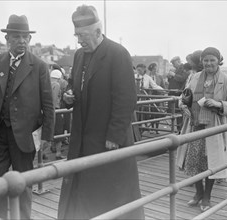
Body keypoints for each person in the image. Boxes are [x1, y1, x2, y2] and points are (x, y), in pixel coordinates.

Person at [58, 5, 145, 219]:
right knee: (82, 194)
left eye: (83, 35)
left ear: (98, 32)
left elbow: (126, 99)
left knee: (110, 195)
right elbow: (72, 84)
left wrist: (114, 136)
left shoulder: (117, 54)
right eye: (77, 35)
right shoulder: (79, 56)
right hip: (82, 141)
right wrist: (68, 94)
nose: (79, 40)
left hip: (108, 141)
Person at [0, 14, 54, 219]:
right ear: (8, 39)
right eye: (17, 36)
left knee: (23, 185)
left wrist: (47, 136)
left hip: (24, 136)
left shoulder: (39, 66)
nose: (22, 41)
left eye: (25, 37)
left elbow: (48, 103)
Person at [177, 47, 227, 212]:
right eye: (206, 60)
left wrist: (219, 104)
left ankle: (207, 196)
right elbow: (183, 97)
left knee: (211, 162)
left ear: (219, 60)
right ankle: (198, 193)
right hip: (194, 126)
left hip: (214, 128)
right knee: (194, 162)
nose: (209, 63)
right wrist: (183, 105)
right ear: (201, 61)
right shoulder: (194, 77)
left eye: (212, 60)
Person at [50, 69, 66, 159]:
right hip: (56, 110)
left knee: (50, 132)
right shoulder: (56, 85)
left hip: (49, 110)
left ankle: (43, 153)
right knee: (59, 131)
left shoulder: (47, 83)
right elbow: (54, 99)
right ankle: (58, 153)